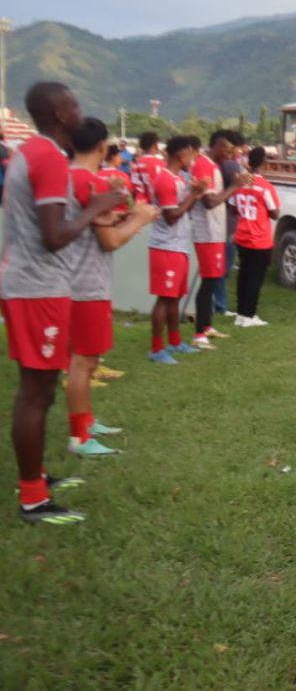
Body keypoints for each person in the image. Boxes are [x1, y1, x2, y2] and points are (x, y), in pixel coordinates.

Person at [2, 82, 125, 524]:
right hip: (37, 287)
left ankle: (34, 479)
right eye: (74, 104)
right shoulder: (49, 157)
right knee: (35, 393)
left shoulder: (29, 152)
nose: (80, 111)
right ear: (59, 113)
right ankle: (33, 499)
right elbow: (55, 237)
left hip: (27, 283)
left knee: (39, 390)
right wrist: (100, 206)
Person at [65, 118, 158, 456]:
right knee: (83, 361)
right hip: (85, 282)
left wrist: (120, 216)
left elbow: (93, 224)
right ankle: (79, 437)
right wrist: (139, 219)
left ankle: (86, 422)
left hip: (73, 279)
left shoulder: (68, 176)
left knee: (85, 359)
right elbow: (110, 241)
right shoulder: (92, 182)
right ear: (103, 146)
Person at [148, 136, 207, 364]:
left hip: (178, 246)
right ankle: (156, 348)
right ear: (180, 155)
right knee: (164, 298)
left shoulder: (178, 179)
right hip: (166, 247)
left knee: (174, 298)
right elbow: (171, 216)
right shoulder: (164, 180)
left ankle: (174, 342)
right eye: (191, 154)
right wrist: (194, 195)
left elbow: (183, 208)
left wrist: (196, 193)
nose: (193, 159)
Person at [189, 131, 245, 350]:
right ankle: (199, 334)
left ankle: (207, 326)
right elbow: (210, 201)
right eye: (227, 149)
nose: (230, 153)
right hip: (206, 233)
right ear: (216, 146)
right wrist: (234, 187)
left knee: (213, 278)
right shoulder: (203, 166)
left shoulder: (213, 166)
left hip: (215, 232)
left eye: (232, 150)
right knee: (209, 280)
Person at [232, 147, 281, 327]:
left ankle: (240, 313)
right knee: (255, 278)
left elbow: (232, 206)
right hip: (259, 238)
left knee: (243, 275)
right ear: (264, 163)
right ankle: (249, 315)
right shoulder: (266, 187)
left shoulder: (241, 183)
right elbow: (275, 213)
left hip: (242, 235)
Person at [213, 130, 246, 317]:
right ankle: (220, 305)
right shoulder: (231, 165)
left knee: (220, 267)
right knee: (222, 268)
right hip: (227, 223)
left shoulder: (219, 165)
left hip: (224, 222)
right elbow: (239, 189)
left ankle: (218, 303)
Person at [130, 131, 164, 203]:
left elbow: (133, 188)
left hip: (140, 203)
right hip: (156, 204)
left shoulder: (135, 164)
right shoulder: (160, 164)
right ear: (155, 145)